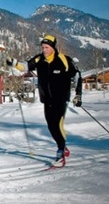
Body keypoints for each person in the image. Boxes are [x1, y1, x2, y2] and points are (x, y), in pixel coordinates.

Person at [7, 35, 82, 167]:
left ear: (53, 47)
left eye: (47, 47)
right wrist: (14, 63)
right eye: (42, 47)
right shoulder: (39, 59)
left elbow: (77, 76)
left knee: (57, 125)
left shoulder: (63, 60)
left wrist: (78, 95)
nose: (44, 50)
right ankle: (62, 147)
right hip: (46, 99)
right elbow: (25, 66)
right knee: (50, 126)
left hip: (61, 98)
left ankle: (60, 153)